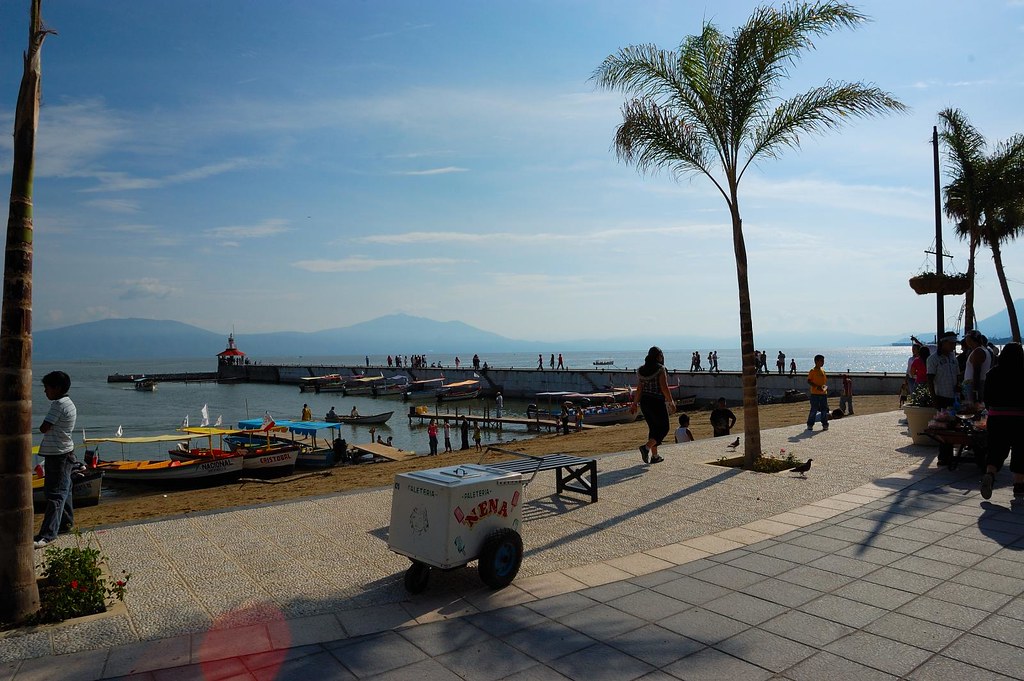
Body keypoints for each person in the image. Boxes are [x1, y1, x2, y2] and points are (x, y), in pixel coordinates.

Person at [34, 371, 78, 548]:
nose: (45, 392)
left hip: (58, 454)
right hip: (64, 452)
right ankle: (65, 524)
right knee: (64, 491)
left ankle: (48, 534)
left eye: (47, 388)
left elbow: (44, 427)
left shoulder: (58, 405)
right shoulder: (68, 403)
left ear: (57, 388)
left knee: (55, 494)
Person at [979, 342, 1024, 506]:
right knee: (1020, 451)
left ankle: (990, 475)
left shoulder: (992, 374)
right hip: (1020, 419)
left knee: (996, 449)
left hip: (996, 418)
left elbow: (987, 399)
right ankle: (1019, 485)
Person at [630, 346, 676, 464]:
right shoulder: (660, 369)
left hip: (645, 403)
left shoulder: (641, 370)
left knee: (653, 429)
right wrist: (671, 402)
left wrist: (634, 403)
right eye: (661, 355)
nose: (662, 357)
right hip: (656, 402)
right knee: (664, 428)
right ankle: (646, 448)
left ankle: (655, 456)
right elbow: (664, 387)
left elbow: (639, 389)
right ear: (658, 356)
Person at [927, 332, 960, 465]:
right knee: (943, 427)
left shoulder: (953, 357)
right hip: (941, 396)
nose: (953, 346)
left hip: (953, 397)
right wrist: (933, 398)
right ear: (943, 343)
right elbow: (930, 379)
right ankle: (943, 456)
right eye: (951, 343)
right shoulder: (933, 359)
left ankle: (949, 454)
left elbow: (957, 374)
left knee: (953, 427)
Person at [961, 329, 993, 409]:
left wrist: (975, 391)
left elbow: (977, 372)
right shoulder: (984, 350)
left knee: (973, 407)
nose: (965, 340)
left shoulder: (978, 351)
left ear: (970, 339)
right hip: (977, 383)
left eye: (966, 338)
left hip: (973, 384)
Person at [806, 354, 829, 431]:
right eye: (821, 361)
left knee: (824, 410)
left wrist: (825, 389)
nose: (823, 362)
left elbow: (824, 383)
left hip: (823, 394)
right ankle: (810, 424)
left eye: (823, 361)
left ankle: (825, 424)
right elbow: (809, 381)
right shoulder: (812, 371)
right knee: (814, 410)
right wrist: (816, 387)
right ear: (816, 361)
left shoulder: (823, 371)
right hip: (815, 394)